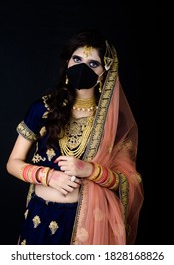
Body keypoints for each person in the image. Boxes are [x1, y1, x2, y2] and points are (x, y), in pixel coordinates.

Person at [6, 29, 144, 245]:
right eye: (77, 59)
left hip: (88, 224)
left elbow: (128, 182)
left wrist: (90, 170)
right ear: (68, 63)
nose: (82, 67)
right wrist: (49, 176)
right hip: (40, 217)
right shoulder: (43, 108)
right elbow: (12, 164)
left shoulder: (111, 121)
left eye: (93, 64)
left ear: (104, 73)